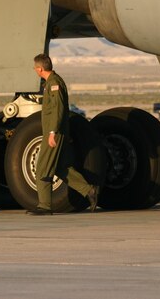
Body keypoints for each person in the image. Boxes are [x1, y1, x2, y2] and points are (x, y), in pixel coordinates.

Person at [26, 53, 99, 215]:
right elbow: (53, 105)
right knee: (61, 168)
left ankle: (45, 206)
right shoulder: (51, 83)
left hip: (55, 133)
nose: (34, 70)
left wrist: (52, 132)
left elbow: (58, 110)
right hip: (57, 132)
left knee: (42, 169)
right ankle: (89, 191)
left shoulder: (54, 83)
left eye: (35, 68)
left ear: (40, 68)